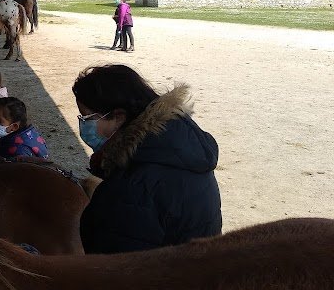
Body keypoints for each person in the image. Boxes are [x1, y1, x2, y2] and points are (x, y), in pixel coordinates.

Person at [72, 64, 222, 254]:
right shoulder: (179, 146)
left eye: (87, 118)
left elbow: (114, 269)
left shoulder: (131, 187)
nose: (83, 125)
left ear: (118, 117)